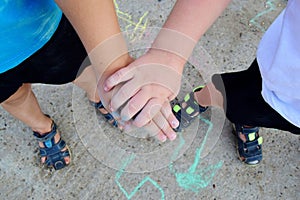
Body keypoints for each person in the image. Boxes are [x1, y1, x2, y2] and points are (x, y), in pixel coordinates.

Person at [103, 0, 299, 165]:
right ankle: (200, 99)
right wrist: (169, 54)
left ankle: (246, 122)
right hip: (283, 80)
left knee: (258, 115)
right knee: (237, 97)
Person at [0, 0, 136, 170]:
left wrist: (111, 65)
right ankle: (42, 127)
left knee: (79, 70)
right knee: (12, 98)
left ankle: (97, 95)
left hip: (39, 27)